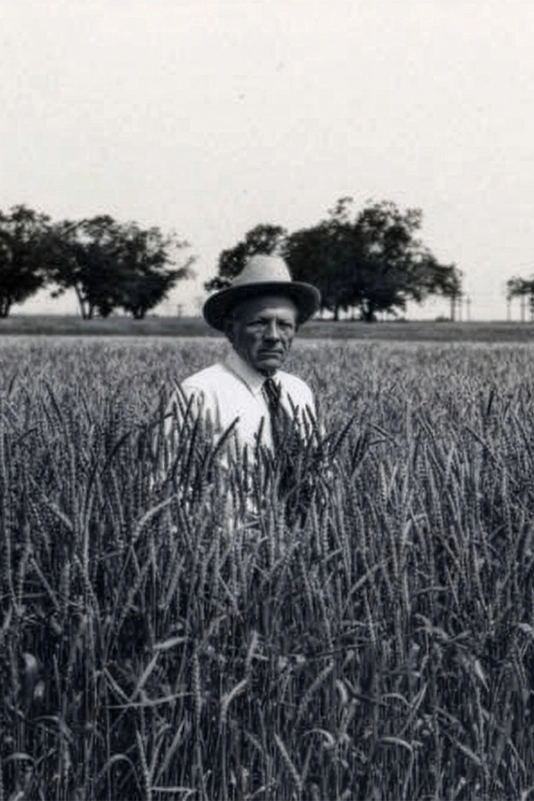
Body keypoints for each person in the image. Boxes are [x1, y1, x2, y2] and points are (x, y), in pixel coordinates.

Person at [164, 254, 321, 468]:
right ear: (231, 330)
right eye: (259, 323)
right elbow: (169, 481)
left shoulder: (299, 391)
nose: (273, 336)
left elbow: (320, 470)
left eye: (284, 325)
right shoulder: (199, 393)